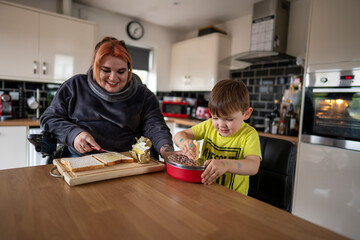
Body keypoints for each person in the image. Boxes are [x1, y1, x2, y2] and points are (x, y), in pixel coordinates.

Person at [40, 36, 174, 160]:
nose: (113, 78)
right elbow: (50, 118)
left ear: (129, 70)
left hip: (126, 161)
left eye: (121, 72)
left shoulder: (144, 96)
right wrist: (73, 134)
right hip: (79, 160)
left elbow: (156, 127)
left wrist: (168, 152)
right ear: (95, 67)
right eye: (106, 70)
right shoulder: (74, 86)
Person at [174, 79, 262, 195]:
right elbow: (179, 136)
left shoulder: (249, 135)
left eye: (229, 119)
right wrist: (184, 142)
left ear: (246, 114)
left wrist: (225, 164)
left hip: (233, 199)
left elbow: (253, 166)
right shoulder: (208, 126)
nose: (221, 125)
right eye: (215, 117)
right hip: (205, 191)